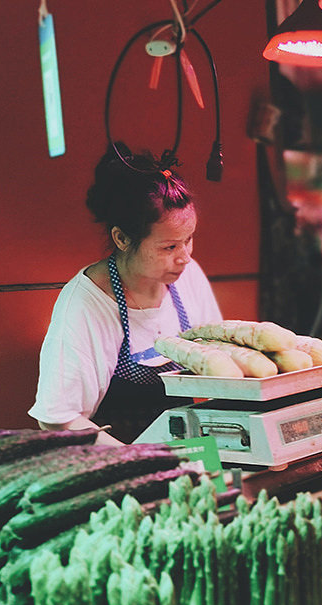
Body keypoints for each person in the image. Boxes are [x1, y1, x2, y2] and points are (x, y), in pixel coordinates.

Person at [29, 145, 223, 444]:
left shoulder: (187, 274)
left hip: (187, 453)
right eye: (169, 247)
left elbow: (218, 366)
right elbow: (57, 419)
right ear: (121, 238)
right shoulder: (86, 302)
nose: (184, 257)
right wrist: (139, 461)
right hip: (118, 465)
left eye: (189, 240)